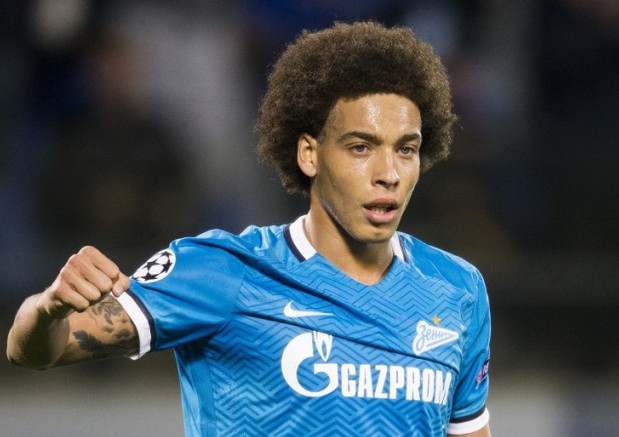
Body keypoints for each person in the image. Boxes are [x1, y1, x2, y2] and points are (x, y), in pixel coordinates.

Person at [7, 21, 491, 437]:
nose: (389, 173)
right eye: (361, 147)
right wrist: (48, 308)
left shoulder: (458, 289)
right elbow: (33, 351)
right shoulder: (224, 272)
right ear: (309, 154)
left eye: (406, 149)